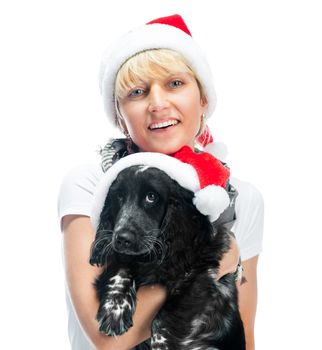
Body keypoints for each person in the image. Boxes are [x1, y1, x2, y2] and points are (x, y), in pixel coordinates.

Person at [58, 14, 264, 350]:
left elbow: (244, 334)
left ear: (203, 100)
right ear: (120, 116)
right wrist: (207, 265)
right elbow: (109, 341)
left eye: (175, 84)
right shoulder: (93, 185)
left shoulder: (239, 199)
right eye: (137, 92)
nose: (157, 103)